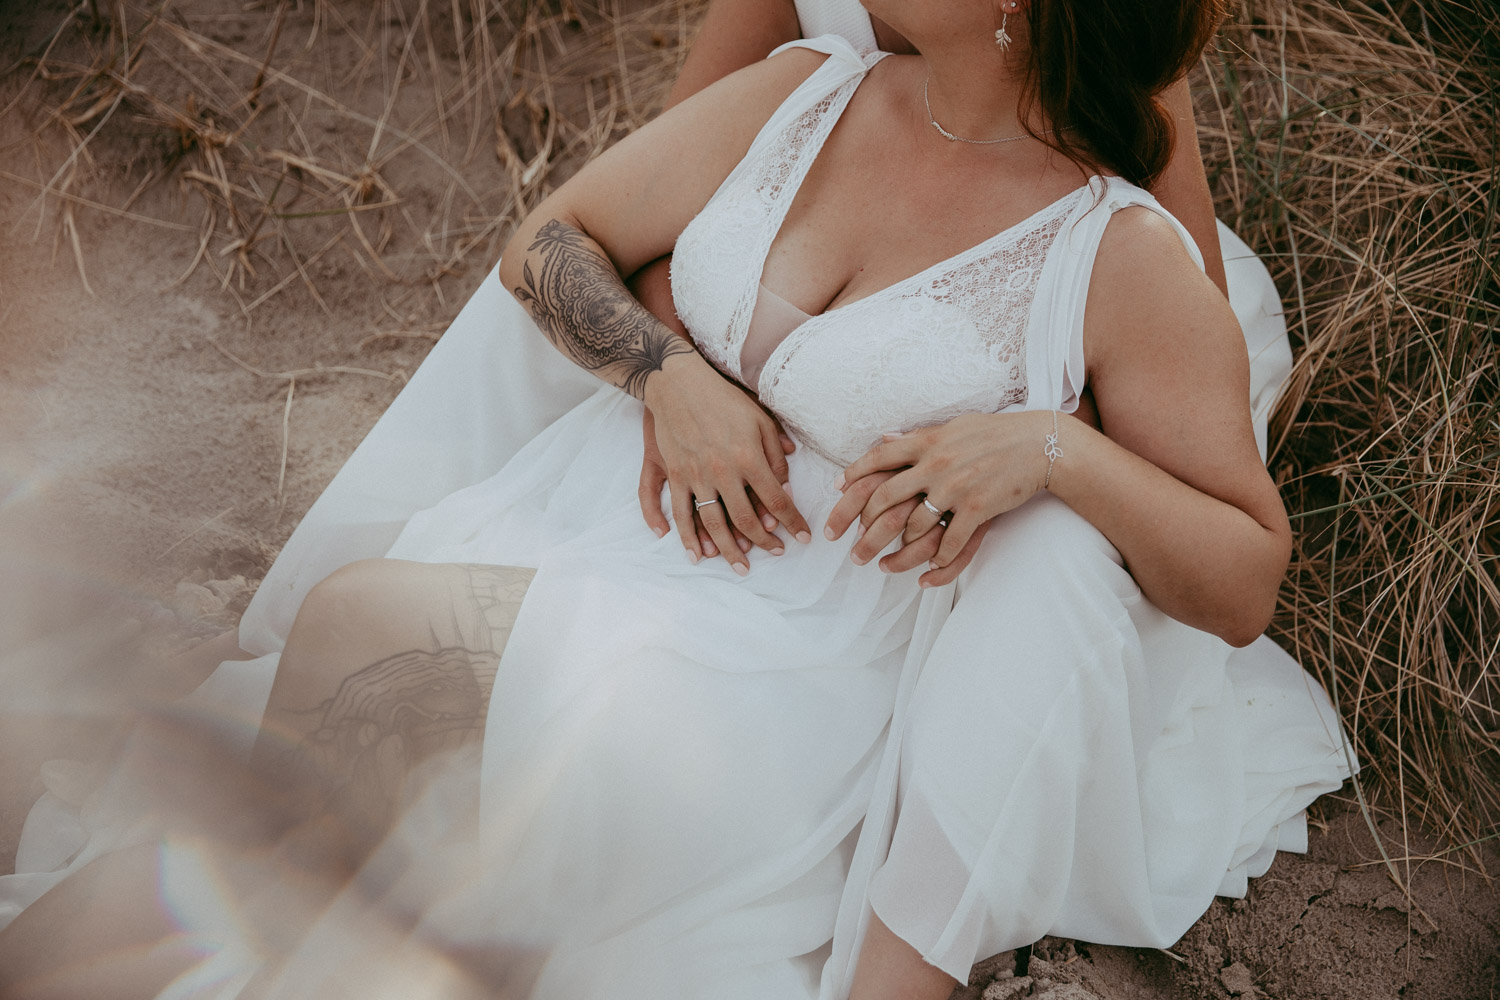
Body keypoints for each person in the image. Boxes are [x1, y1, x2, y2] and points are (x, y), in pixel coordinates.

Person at [0, 1, 1352, 998]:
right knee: (337, 664)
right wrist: (665, 376)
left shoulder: (1115, 256)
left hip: (785, 663)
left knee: (401, 701)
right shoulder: (807, 92)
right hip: (619, 543)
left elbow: (1241, 576)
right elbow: (548, 242)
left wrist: (1053, 455)